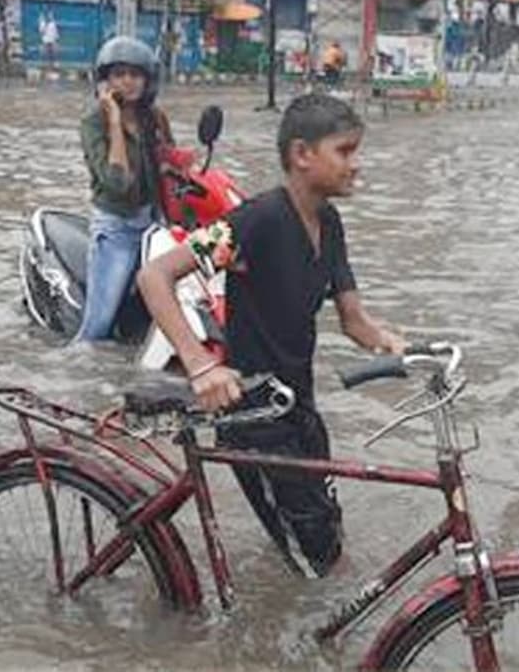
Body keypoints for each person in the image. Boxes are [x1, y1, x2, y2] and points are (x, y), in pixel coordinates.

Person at [137, 94, 406, 578]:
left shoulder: (330, 222)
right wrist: (201, 365)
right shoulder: (256, 222)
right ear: (302, 154)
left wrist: (398, 346)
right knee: (316, 568)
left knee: (326, 531)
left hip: (299, 406)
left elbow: (354, 320)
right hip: (254, 415)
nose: (357, 165)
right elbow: (155, 277)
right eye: (345, 152)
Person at [77, 37, 173, 342]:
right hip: (117, 228)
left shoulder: (152, 117)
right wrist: (115, 123)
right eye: (119, 74)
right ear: (106, 80)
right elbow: (118, 183)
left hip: (154, 227)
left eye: (135, 74)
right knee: (98, 327)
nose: (128, 82)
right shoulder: (94, 123)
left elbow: (170, 168)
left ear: (148, 80)